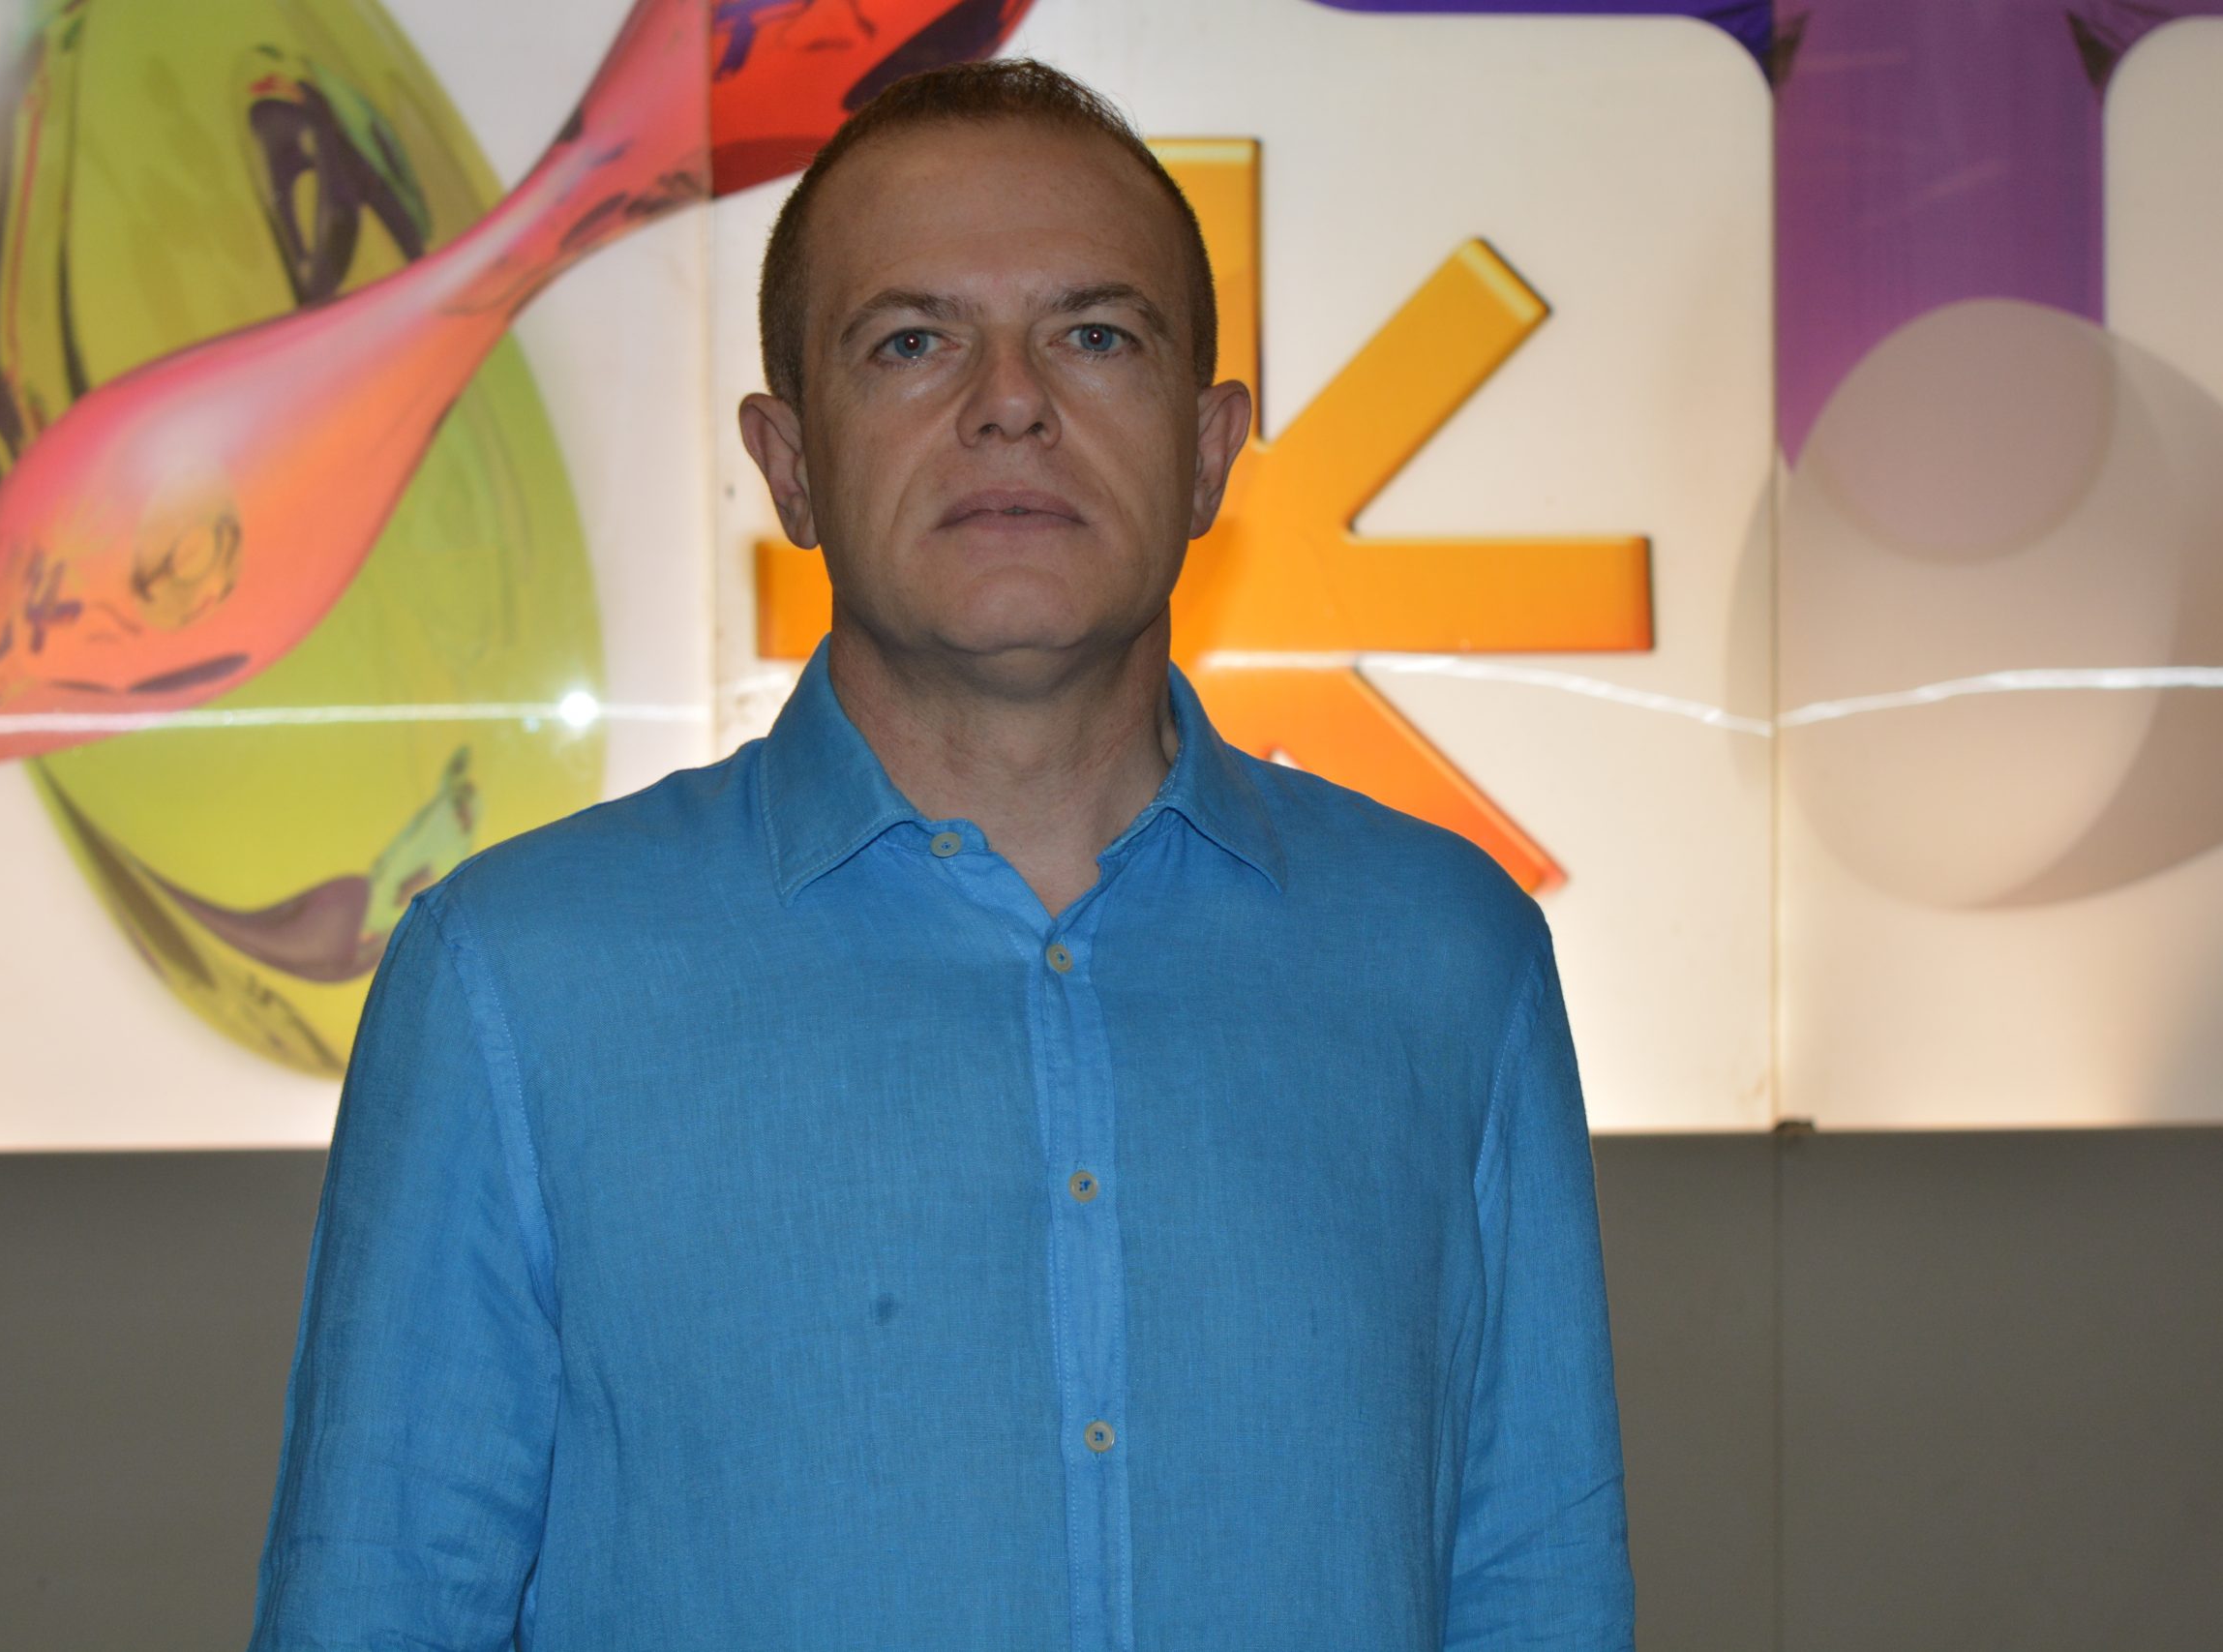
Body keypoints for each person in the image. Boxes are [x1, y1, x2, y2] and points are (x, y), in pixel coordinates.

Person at [247, 56, 1634, 1652]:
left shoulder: (1449, 957)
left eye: (1095, 335)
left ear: (1209, 451)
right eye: (912, 341)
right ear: (789, 465)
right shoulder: (515, 982)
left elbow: (1539, 1584)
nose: (1010, 400)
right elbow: (378, 1608)